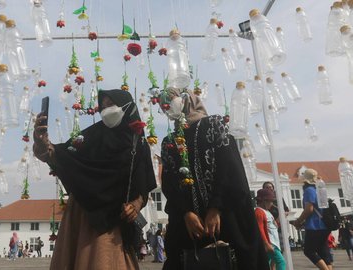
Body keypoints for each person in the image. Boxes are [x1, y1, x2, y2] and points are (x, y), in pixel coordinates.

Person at [33, 89, 157, 269]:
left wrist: (136, 205)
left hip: (115, 220)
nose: (106, 111)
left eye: (111, 105)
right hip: (83, 214)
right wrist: (42, 143)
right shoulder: (91, 135)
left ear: (127, 107)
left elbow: (143, 184)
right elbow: (60, 154)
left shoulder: (139, 143)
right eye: (103, 106)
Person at [159, 87, 269, 270]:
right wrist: (186, 212)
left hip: (226, 217)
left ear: (188, 99)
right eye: (164, 102)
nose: (168, 104)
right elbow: (169, 183)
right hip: (189, 226)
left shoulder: (215, 124)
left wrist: (216, 207)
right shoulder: (169, 142)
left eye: (172, 98)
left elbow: (230, 168)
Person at [292, 168, 332, 270]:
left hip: (315, 226)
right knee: (323, 252)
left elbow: (309, 209)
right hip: (325, 225)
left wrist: (298, 221)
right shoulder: (320, 189)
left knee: (309, 251)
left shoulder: (309, 190)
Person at [255, 188, 286, 270]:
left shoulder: (266, 211)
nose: (272, 204)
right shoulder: (259, 211)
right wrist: (266, 244)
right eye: (270, 201)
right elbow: (260, 229)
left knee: (266, 263)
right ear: (263, 201)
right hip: (271, 243)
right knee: (281, 262)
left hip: (272, 243)